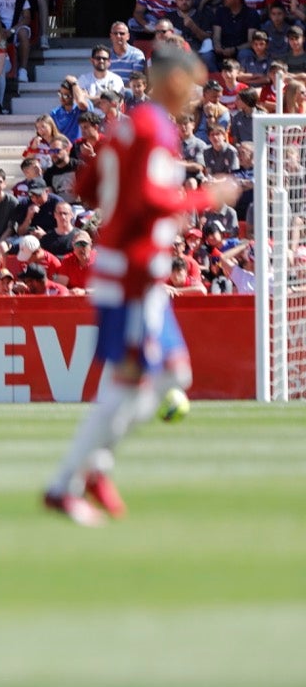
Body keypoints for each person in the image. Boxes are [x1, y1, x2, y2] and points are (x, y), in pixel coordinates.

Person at [42, 46, 240, 527]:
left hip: (140, 276)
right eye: (191, 83)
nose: (196, 94)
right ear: (168, 81)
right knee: (129, 382)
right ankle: (67, 481)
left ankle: (95, 468)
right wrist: (204, 195)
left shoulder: (129, 127)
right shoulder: (153, 127)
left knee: (174, 374)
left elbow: (86, 188)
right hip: (130, 274)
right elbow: (150, 199)